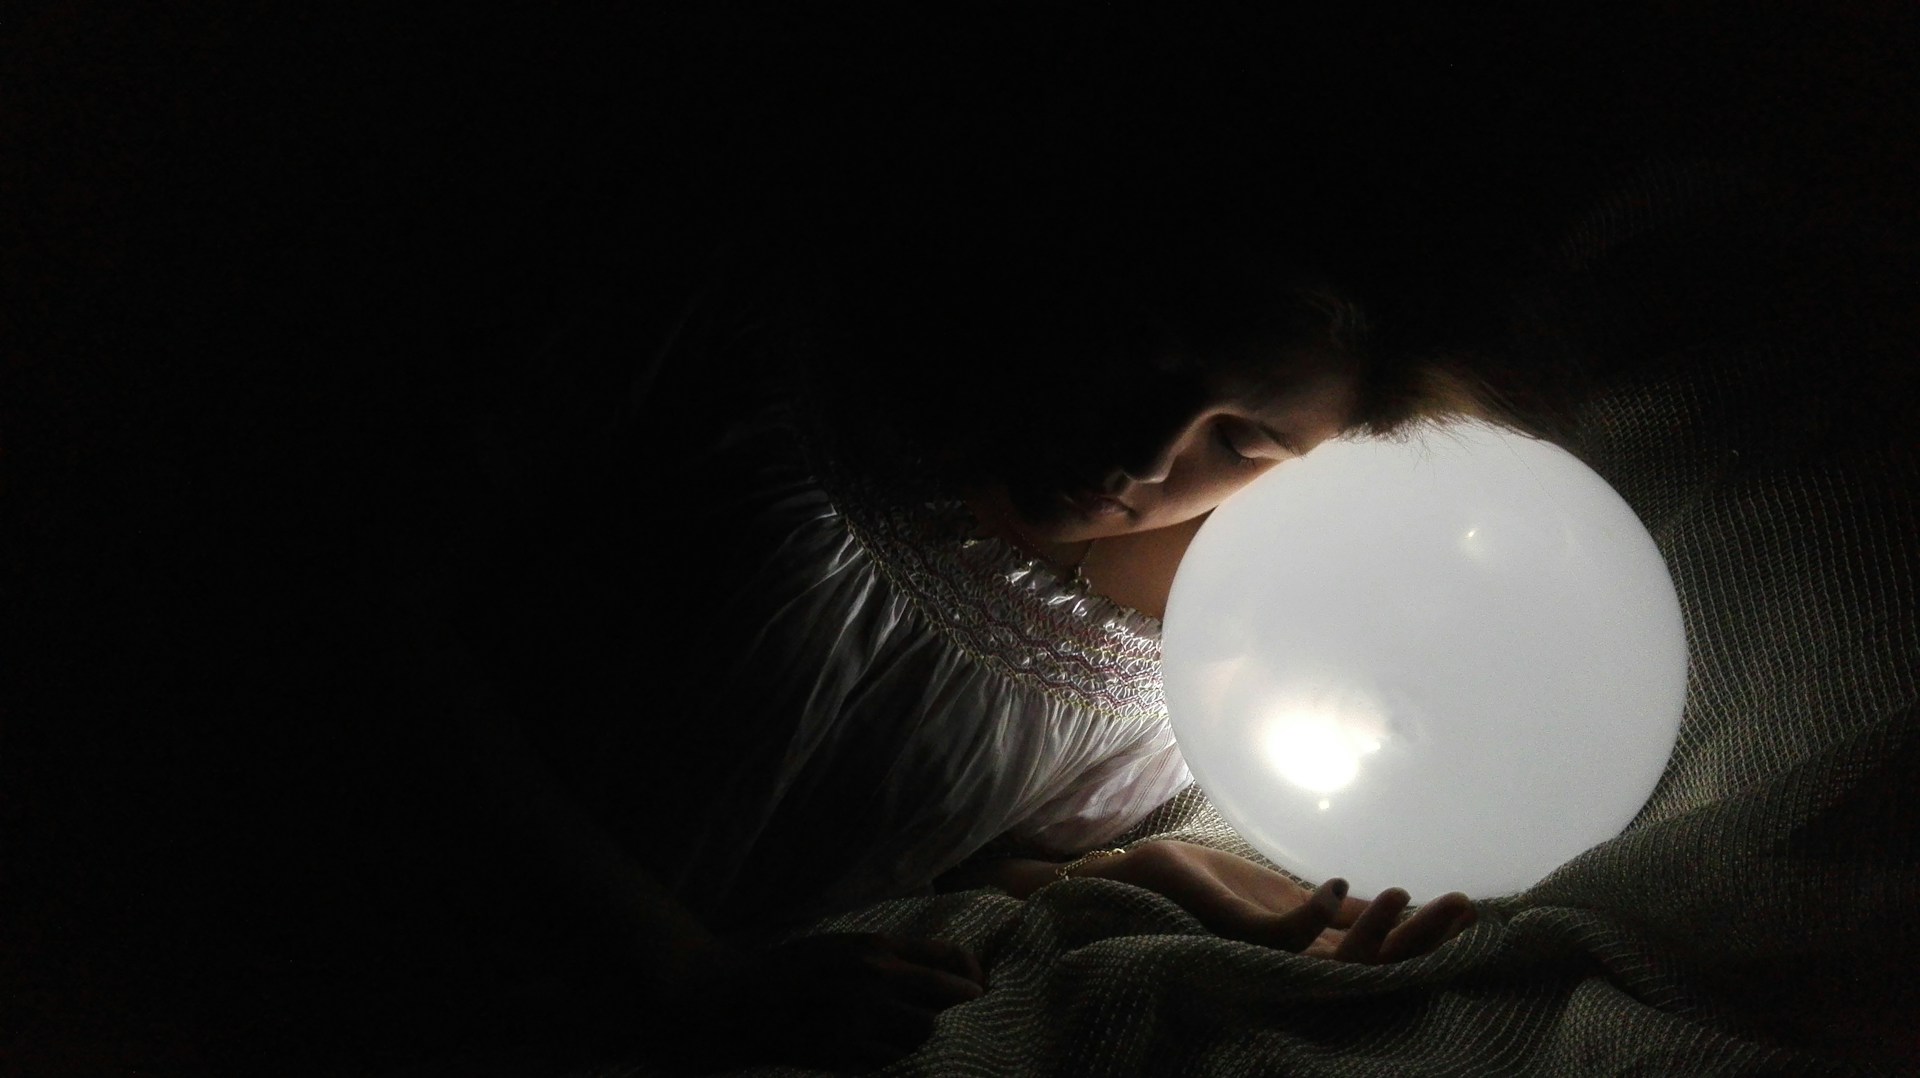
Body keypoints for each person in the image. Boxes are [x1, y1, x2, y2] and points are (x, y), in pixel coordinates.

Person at [423, 208, 1510, 1072]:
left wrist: (1151, 873)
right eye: (1151, 357)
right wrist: (682, 970)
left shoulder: (1182, 661)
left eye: (1240, 438)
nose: (1142, 453)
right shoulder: (768, 353)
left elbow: (949, 859)